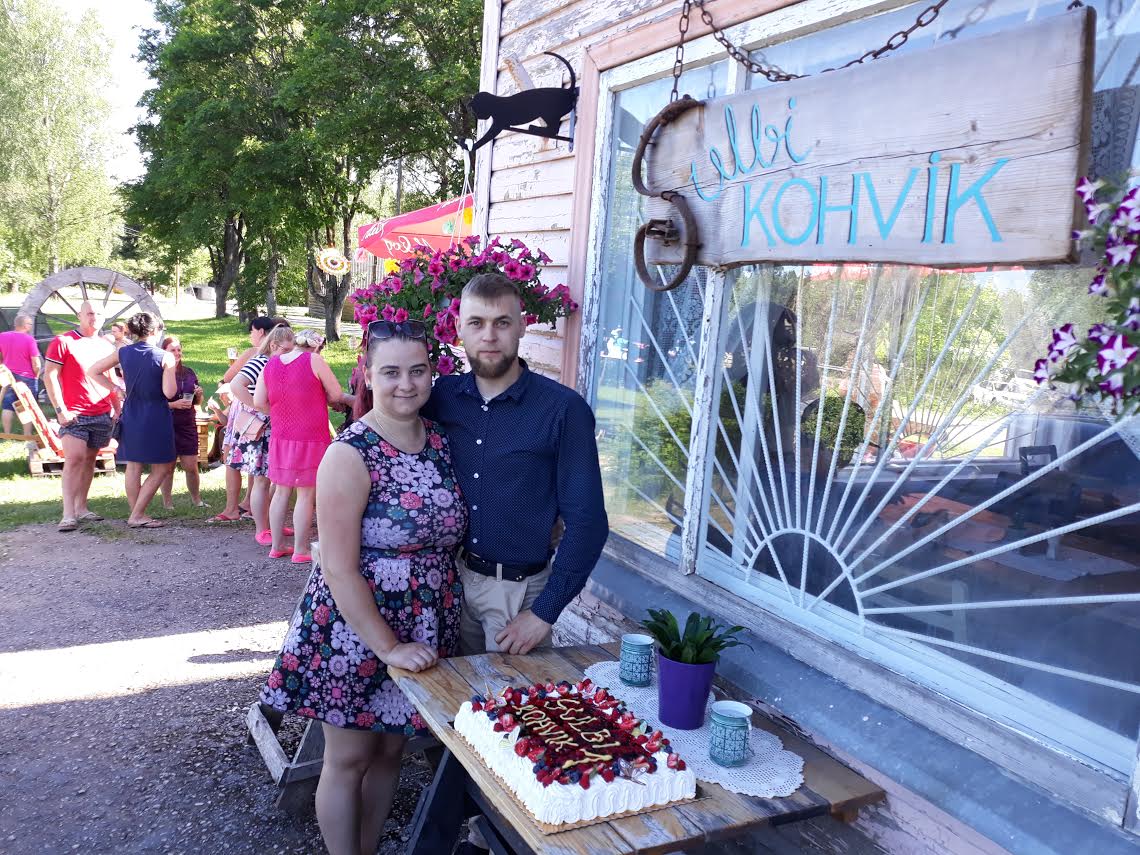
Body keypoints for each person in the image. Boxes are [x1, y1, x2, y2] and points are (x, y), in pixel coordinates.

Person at [260, 319, 465, 855]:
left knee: (391, 755)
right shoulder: (350, 453)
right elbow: (340, 568)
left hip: (423, 620)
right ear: (367, 375)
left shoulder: (440, 441)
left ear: (432, 373)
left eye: (418, 371)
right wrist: (387, 645)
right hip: (354, 629)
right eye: (391, 371)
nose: (406, 383)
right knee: (348, 759)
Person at [424, 272, 609, 655]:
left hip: (518, 598)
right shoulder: (441, 397)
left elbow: (588, 523)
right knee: (445, 704)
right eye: (476, 323)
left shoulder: (562, 411)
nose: (489, 336)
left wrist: (544, 613)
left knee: (509, 710)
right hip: (450, 583)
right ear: (459, 328)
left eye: (502, 323)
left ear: (522, 326)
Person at [254, 325, 343, 562]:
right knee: (306, 493)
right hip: (311, 435)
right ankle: (301, 549)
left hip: (281, 435)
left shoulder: (271, 364)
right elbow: (336, 394)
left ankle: (277, 545)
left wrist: (278, 413)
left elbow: (258, 400)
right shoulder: (314, 360)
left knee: (281, 491)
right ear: (316, 346)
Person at [88, 312, 177, 528]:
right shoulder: (165, 356)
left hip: (131, 413)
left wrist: (115, 388)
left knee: (134, 465)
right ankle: (137, 515)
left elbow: (93, 371)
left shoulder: (123, 352)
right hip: (155, 414)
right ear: (155, 330)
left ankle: (136, 513)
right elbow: (169, 392)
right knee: (163, 467)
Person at [43, 301, 118, 532]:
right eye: (89, 313)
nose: (93, 317)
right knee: (74, 458)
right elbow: (50, 376)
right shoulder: (63, 342)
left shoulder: (106, 345)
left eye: (98, 313)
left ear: (104, 318)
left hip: (101, 411)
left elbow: (111, 378)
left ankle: (82, 508)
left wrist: (117, 405)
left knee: (89, 460)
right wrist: (60, 409)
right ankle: (68, 514)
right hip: (74, 413)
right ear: (79, 315)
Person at [216, 316, 289, 522]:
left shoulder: (268, 359)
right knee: (254, 471)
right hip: (255, 419)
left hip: (255, 417)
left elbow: (230, 379)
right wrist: (261, 408)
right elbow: (234, 382)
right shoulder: (259, 358)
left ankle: (254, 513)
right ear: (274, 342)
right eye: (286, 349)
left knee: (259, 472)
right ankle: (254, 519)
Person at [159, 335, 207, 509]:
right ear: (164, 352)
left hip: (187, 423)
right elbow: (154, 403)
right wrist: (173, 404)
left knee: (191, 466)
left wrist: (199, 394)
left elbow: (197, 403)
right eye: (173, 350)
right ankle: (167, 503)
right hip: (166, 423)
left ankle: (197, 500)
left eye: (179, 350)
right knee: (168, 467)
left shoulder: (189, 372)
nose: (177, 353)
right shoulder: (159, 373)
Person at [0, 314, 41, 437]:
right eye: (29, 324)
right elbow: (36, 363)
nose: (30, 326)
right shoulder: (29, 340)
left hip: (8, 374)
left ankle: (7, 435)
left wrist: (2, 366)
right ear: (25, 325)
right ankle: (27, 435)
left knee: (7, 405)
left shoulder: (2, 336)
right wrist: (37, 375)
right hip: (26, 377)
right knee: (26, 405)